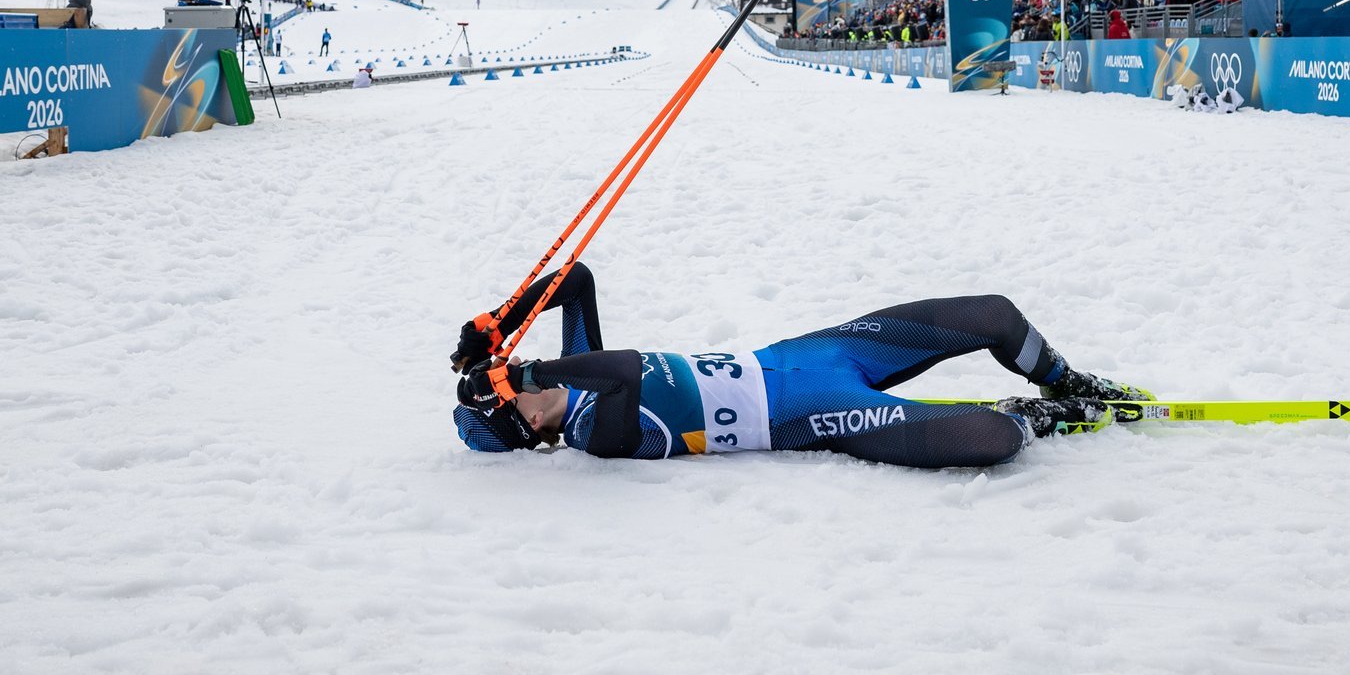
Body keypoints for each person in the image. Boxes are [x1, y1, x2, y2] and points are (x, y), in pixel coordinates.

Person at [450, 265, 1149, 466]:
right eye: (513, 390)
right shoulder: (594, 433)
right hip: (807, 414)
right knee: (990, 440)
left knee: (993, 313)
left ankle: (1069, 383)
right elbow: (627, 372)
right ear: (525, 424)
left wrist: (498, 323)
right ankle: (1038, 418)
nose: (523, 376)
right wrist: (532, 362)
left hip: (807, 353)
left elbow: (574, 280)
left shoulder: (566, 374)